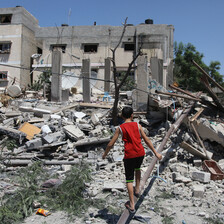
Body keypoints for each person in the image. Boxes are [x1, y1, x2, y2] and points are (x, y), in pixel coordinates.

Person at [102, 106, 162, 213]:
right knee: (137, 168)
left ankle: (132, 204)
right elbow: (147, 140)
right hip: (140, 153)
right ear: (132, 115)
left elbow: (111, 144)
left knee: (129, 179)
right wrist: (156, 152)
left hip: (130, 155)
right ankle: (137, 189)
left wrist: (105, 154)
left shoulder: (120, 128)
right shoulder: (138, 125)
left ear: (122, 116)